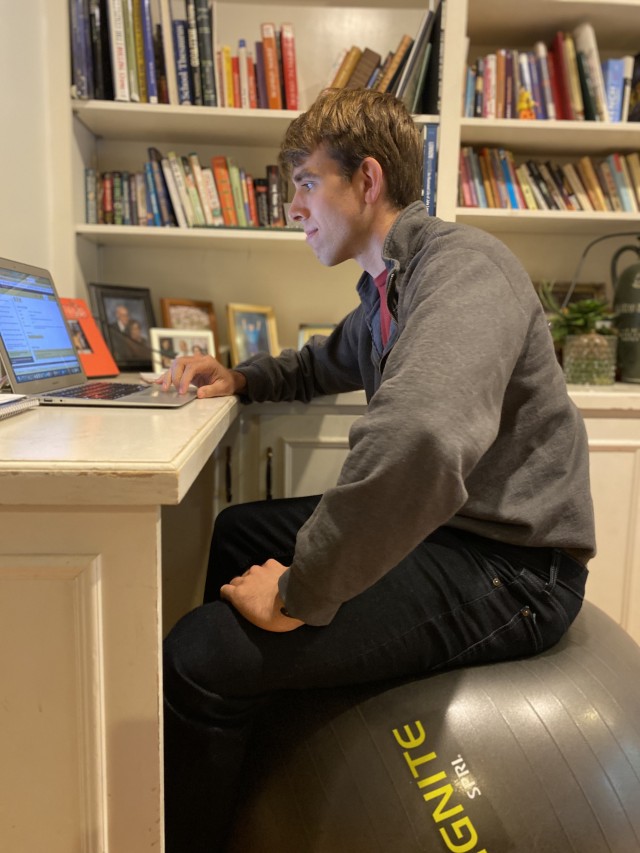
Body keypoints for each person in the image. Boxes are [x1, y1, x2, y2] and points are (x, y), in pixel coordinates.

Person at [161, 88, 595, 853]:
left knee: (198, 656)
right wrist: (241, 376)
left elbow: (421, 431)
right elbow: (321, 360)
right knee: (238, 530)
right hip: (452, 531)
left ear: (366, 180)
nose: (292, 206)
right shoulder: (385, 290)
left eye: (303, 182)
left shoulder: (464, 267)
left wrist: (303, 589)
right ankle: (252, 773)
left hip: (516, 568)